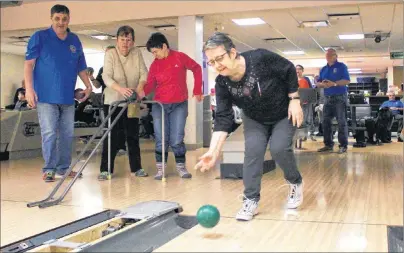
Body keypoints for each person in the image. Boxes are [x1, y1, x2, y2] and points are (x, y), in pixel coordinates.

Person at [195, 32, 304, 221]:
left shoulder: (260, 58)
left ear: (233, 52)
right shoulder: (222, 83)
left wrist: (294, 99)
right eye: (211, 62)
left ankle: (295, 182)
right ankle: (250, 200)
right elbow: (223, 118)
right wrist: (213, 151)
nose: (217, 65)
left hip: (282, 113)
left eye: (219, 58)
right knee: (253, 153)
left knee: (279, 148)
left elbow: (288, 69)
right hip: (255, 119)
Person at [24, 4, 92, 182]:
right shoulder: (40, 37)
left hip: (67, 97)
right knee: (49, 133)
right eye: (57, 18)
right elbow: (29, 64)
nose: (61, 22)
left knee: (67, 134)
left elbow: (81, 66)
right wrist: (29, 90)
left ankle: (64, 168)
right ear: (52, 19)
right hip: (45, 97)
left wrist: (88, 86)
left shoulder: (74, 40)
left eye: (64, 19)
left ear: (69, 19)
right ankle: (49, 169)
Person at [138, 32, 203, 180]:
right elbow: (150, 85)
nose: (154, 55)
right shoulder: (155, 64)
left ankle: (181, 167)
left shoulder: (179, 57)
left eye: (156, 52)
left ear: (164, 46)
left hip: (179, 105)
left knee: (176, 139)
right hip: (159, 105)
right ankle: (161, 170)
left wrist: (197, 89)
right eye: (152, 53)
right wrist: (140, 94)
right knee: (161, 139)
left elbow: (197, 68)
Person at [98, 25, 149, 180]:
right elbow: (106, 77)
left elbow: (143, 73)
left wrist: (140, 88)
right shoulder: (111, 54)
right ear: (117, 40)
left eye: (129, 40)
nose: (125, 43)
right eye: (122, 39)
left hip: (132, 101)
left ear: (133, 42)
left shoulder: (137, 53)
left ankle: (137, 168)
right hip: (113, 101)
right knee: (112, 135)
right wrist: (120, 89)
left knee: (133, 135)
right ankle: (105, 170)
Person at [316, 48, 350, 154]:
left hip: (340, 98)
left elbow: (347, 80)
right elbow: (318, 82)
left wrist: (334, 84)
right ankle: (328, 145)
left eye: (330, 55)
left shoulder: (341, 66)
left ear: (336, 56)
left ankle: (343, 145)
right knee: (325, 122)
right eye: (327, 55)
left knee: (341, 122)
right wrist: (321, 84)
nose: (328, 57)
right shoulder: (323, 69)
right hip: (327, 98)